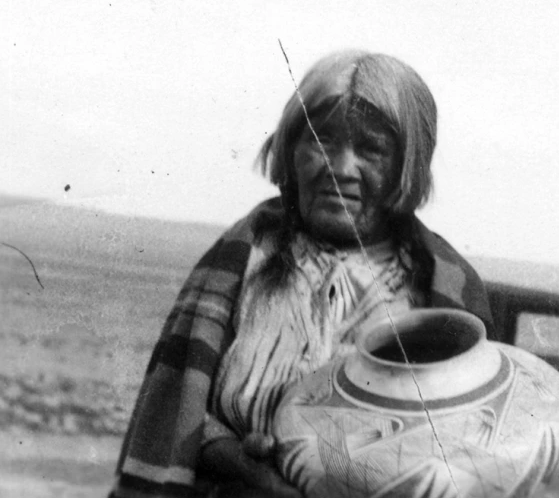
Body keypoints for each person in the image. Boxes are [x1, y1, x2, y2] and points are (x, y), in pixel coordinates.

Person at [110, 50, 493, 498]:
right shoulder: (241, 258)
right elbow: (177, 407)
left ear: (407, 166)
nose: (340, 168)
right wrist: (238, 459)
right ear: (291, 150)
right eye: (320, 140)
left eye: (370, 149)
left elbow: (475, 448)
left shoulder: (442, 289)